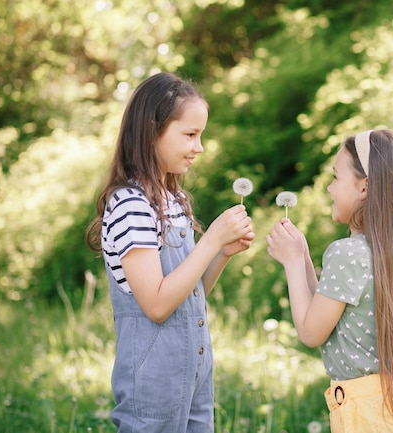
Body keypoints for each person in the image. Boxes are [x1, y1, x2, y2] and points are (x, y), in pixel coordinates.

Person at [85, 72, 254, 433]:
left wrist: (222, 253)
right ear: (151, 132)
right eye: (190, 135)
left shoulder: (172, 199)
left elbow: (189, 295)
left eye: (201, 135)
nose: (200, 147)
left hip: (193, 372)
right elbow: (158, 305)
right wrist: (210, 240)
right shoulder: (131, 204)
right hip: (153, 379)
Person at [266, 129, 393, 433]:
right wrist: (301, 256)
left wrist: (290, 263)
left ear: (364, 186)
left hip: (367, 418)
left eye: (336, 178)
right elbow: (324, 313)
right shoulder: (389, 252)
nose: (329, 188)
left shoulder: (348, 253)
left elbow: (312, 332)